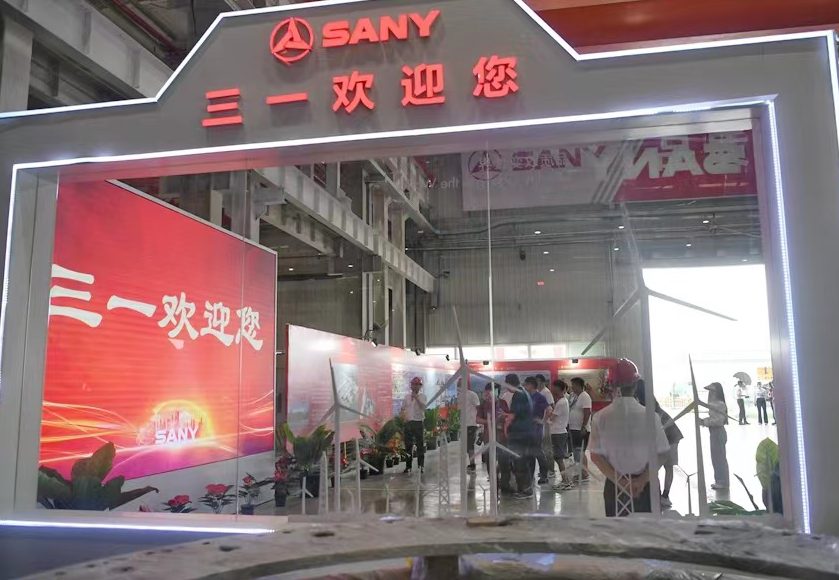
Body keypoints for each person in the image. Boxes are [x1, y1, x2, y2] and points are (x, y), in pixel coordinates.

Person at [589, 359, 670, 517]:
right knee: (646, 529)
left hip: (614, 486)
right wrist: (641, 481)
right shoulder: (651, 416)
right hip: (646, 486)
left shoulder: (600, 417)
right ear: (635, 385)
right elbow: (662, 454)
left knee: (618, 530)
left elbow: (595, 456)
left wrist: (620, 482)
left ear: (611, 386)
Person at [636, 379, 683, 508]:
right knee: (657, 466)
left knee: (666, 466)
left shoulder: (646, 404)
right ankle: (659, 495)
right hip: (666, 435)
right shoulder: (647, 400)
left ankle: (665, 496)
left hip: (670, 436)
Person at [503, 374, 536, 500]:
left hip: (520, 434)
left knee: (520, 462)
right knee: (524, 461)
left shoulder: (519, 395)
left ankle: (525, 490)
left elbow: (513, 415)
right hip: (526, 432)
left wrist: (505, 427)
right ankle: (526, 488)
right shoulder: (524, 393)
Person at [702, 382, 730, 490]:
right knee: (715, 457)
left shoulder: (719, 404)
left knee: (719, 458)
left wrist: (704, 422)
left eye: (712, 391)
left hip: (718, 432)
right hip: (713, 432)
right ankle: (719, 480)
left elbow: (719, 421)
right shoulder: (714, 404)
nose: (710, 394)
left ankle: (723, 482)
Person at [524, 376, 551, 485]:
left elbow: (549, 409)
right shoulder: (526, 397)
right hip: (527, 429)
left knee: (538, 452)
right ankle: (530, 475)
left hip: (536, 429)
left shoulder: (539, 397)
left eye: (526, 384)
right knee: (529, 453)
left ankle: (544, 475)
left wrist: (543, 421)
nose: (525, 386)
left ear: (531, 385)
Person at [548, 379, 573, 490]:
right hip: (558, 432)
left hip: (558, 433)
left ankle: (566, 482)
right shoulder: (562, 401)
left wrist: (548, 413)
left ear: (558, 388)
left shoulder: (561, 402)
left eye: (553, 387)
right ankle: (565, 480)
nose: (552, 390)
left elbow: (552, 418)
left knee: (559, 459)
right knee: (559, 458)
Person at [401, 377, 427, 474]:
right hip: (408, 423)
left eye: (417, 384)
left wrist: (416, 397)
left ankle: (421, 466)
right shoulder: (406, 397)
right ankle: (408, 466)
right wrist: (404, 418)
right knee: (408, 446)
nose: (414, 386)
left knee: (420, 445)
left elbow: (423, 407)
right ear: (411, 386)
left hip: (418, 422)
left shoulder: (423, 396)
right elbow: (403, 409)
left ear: (420, 386)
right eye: (413, 384)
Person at [568, 377, 592, 481]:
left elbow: (587, 412)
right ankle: (580, 472)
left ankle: (585, 474)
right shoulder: (575, 396)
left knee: (580, 452)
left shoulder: (585, 396)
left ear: (578, 385)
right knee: (576, 452)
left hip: (580, 429)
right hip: (574, 428)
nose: (572, 387)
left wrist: (583, 426)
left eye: (573, 385)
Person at [535, 374, 556, 481]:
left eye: (538, 381)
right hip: (540, 424)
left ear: (543, 382)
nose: (537, 383)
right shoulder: (538, 392)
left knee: (547, 447)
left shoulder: (546, 393)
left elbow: (551, 407)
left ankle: (551, 470)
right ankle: (545, 469)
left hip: (546, 423)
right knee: (542, 447)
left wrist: (545, 420)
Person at [464, 382, 481, 474]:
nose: (458, 384)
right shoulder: (461, 395)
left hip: (472, 423)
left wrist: (478, 420)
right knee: (467, 446)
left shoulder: (472, 394)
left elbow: (478, 407)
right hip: (465, 424)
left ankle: (472, 464)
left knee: (470, 445)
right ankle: (471, 463)